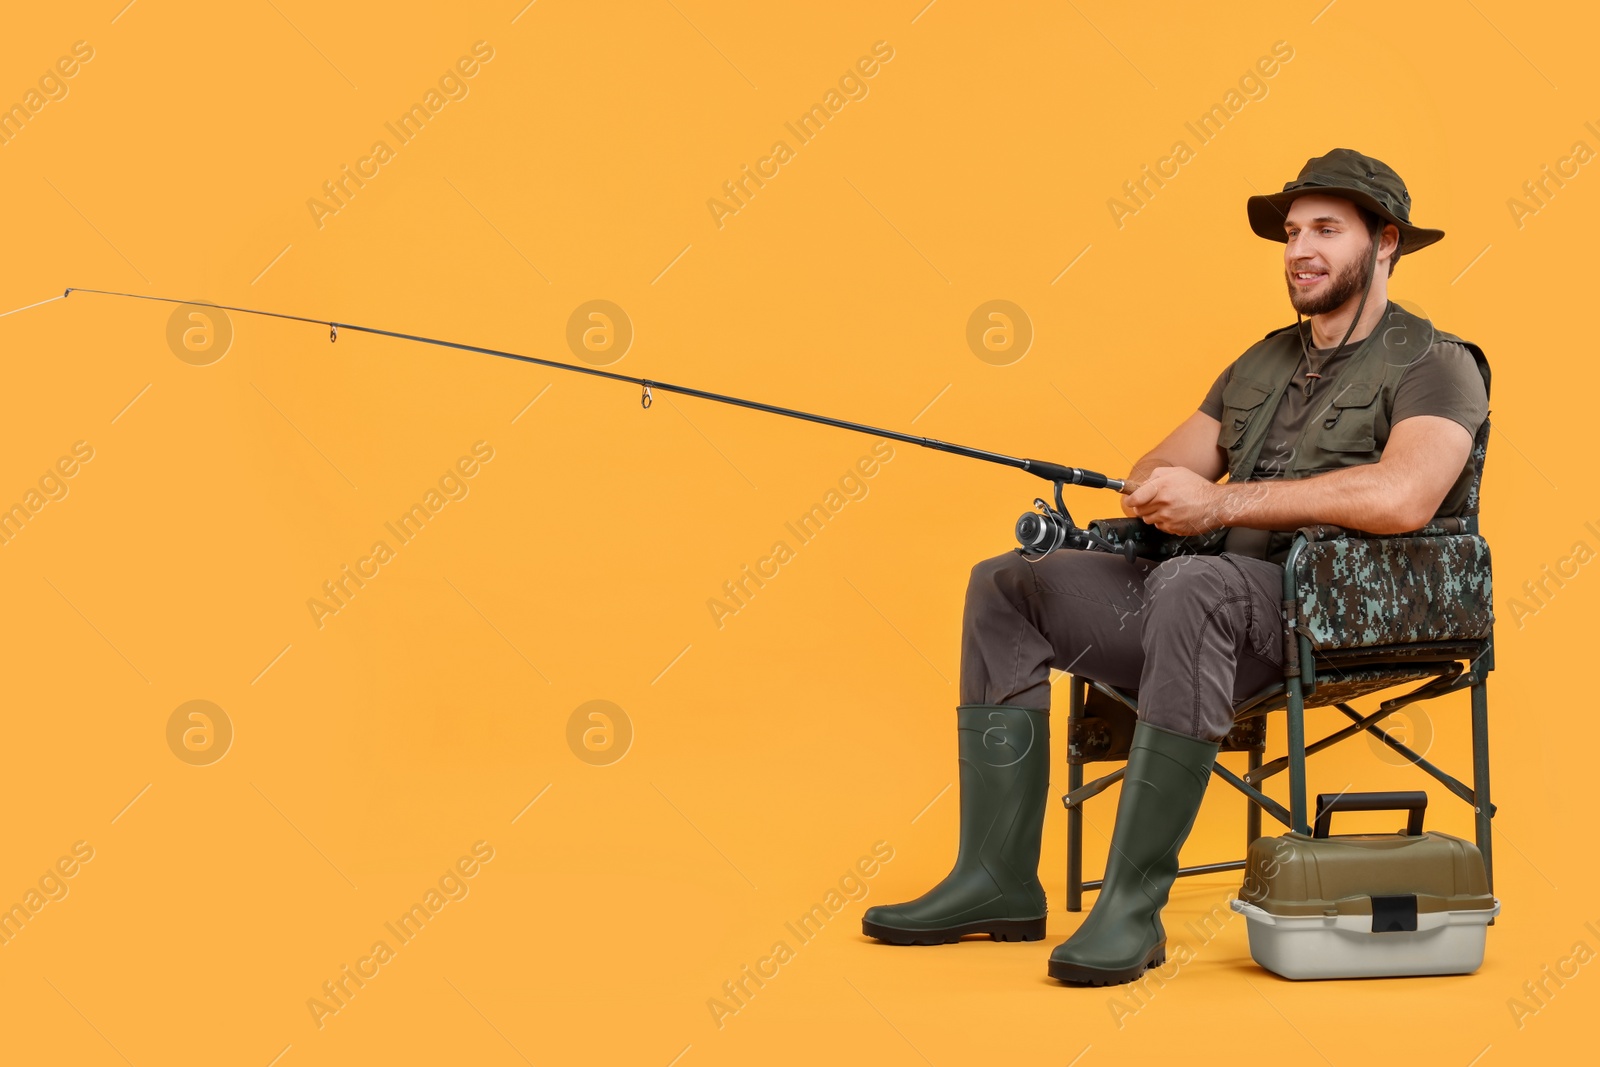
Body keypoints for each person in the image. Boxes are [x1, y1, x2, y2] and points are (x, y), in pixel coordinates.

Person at [861, 148, 1491, 986]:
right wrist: (1150, 492)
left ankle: (1129, 907)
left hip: (1335, 615)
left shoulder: (1436, 360)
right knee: (1008, 582)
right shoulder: (1261, 362)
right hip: (1204, 605)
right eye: (1293, 232)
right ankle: (996, 878)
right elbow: (1163, 466)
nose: (1301, 248)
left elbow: (1405, 496)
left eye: (1326, 230)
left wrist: (1222, 505)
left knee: (1196, 586)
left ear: (1386, 243)